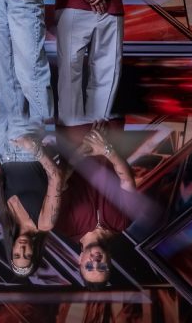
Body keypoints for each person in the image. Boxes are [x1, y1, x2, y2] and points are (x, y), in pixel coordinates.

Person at [55, 120, 140, 290]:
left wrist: (83, 149)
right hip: (111, 129)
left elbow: (59, 182)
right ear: (109, 262)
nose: (95, 262)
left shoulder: (65, 225)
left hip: (72, 132)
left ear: (79, 260)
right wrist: (106, 149)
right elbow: (127, 180)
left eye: (89, 267)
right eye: (102, 267)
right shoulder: (123, 222)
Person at [0, 113, 61, 277]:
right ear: (35, 253)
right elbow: (56, 177)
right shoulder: (45, 223)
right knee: (16, 100)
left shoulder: (8, 218)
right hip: (26, 149)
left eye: (17, 255)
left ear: (12, 250)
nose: (22, 249)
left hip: (1, 147)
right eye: (27, 255)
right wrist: (35, 150)